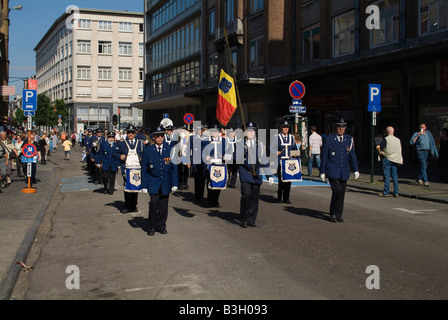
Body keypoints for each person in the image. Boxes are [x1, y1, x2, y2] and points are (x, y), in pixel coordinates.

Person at [320, 118, 359, 223]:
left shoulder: (349, 139)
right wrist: (322, 171)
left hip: (344, 170)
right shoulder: (329, 139)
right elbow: (324, 156)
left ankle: (339, 214)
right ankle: (332, 212)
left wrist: (356, 169)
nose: (341, 129)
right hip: (333, 170)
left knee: (342, 193)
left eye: (343, 127)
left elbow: (352, 155)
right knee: (336, 190)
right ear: (335, 128)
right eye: (339, 127)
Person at [141, 126, 178, 236]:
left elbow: (174, 168)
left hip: (166, 182)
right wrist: (144, 185)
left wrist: (175, 183)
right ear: (154, 137)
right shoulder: (148, 150)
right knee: (153, 204)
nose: (160, 138)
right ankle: (151, 226)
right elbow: (144, 169)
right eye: (157, 136)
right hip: (153, 181)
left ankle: (161, 225)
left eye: (162, 135)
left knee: (163, 206)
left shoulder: (170, 149)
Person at [239, 122, 274, 228]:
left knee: (254, 197)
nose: (251, 133)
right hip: (245, 173)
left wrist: (269, 175)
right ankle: (244, 218)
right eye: (249, 131)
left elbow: (263, 160)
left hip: (256, 174)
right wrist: (245, 149)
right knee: (247, 194)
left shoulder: (260, 145)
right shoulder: (240, 144)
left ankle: (251, 219)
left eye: (253, 131)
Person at [113, 125, 145, 213]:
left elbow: (145, 153)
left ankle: (133, 206)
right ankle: (127, 206)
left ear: (135, 133)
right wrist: (120, 156)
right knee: (127, 188)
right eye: (129, 132)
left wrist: (142, 158)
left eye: (132, 132)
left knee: (135, 188)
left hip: (137, 169)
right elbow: (114, 152)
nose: (130, 134)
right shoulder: (122, 143)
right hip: (126, 169)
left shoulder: (140, 143)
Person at [203, 124, 226, 208]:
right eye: (213, 131)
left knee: (219, 183)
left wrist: (225, 157)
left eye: (216, 131)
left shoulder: (223, 141)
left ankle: (216, 201)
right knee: (210, 183)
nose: (214, 133)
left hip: (220, 164)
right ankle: (210, 200)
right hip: (210, 164)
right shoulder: (207, 141)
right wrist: (206, 156)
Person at [274, 121, 298, 204]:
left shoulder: (292, 138)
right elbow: (270, 147)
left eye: (287, 127)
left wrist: (296, 158)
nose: (286, 129)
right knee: (281, 181)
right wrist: (275, 152)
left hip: (290, 162)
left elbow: (295, 149)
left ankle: (286, 198)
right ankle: (279, 197)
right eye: (284, 127)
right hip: (281, 162)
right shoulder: (276, 137)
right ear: (281, 128)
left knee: (288, 181)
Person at [376, 126, 403, 197]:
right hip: (395, 159)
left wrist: (380, 152)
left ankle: (386, 192)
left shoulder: (386, 139)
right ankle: (396, 192)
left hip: (387, 158)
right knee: (395, 175)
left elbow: (378, 146)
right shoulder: (398, 140)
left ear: (387, 132)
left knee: (387, 176)